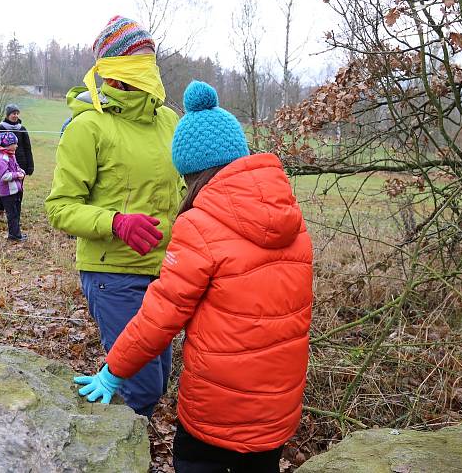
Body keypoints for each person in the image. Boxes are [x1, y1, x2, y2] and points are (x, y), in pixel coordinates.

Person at [73, 81, 314, 473]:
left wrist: (113, 371)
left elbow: (159, 318)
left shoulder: (200, 225)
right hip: (276, 413)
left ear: (192, 172)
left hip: (215, 413)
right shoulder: (293, 220)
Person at [45, 15, 184, 418]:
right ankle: (100, 449)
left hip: (166, 272)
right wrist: (115, 222)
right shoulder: (87, 127)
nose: (150, 69)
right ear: (114, 69)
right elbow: (60, 207)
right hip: (113, 275)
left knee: (159, 378)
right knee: (142, 386)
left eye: (151, 59)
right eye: (140, 59)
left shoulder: (170, 122)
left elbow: (184, 190)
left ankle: (113, 439)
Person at [0, 103, 34, 219]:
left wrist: (30, 165)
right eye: (13, 113)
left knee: (18, 189)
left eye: (17, 113)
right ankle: (1, 210)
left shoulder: (22, 129)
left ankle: (16, 212)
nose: (15, 116)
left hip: (20, 163)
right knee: (4, 189)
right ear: (8, 115)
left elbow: (27, 148)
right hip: (4, 163)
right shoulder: (0, 128)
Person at [0, 131, 27, 241]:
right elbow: (4, 176)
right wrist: (17, 175)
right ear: (7, 145)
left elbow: (16, 167)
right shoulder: (3, 159)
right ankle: (14, 236)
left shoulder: (11, 156)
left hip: (15, 190)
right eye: (15, 143)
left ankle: (17, 233)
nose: (17, 146)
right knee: (12, 215)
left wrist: (21, 171)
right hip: (8, 193)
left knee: (16, 213)